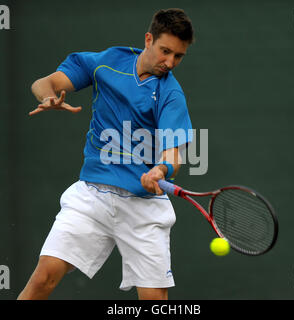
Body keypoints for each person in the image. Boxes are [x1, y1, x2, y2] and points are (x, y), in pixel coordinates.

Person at [18, 8, 194, 300]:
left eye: (178, 56)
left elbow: (173, 153)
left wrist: (160, 170)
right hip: (92, 196)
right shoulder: (107, 63)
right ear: (148, 39)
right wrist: (48, 96)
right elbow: (43, 83)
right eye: (165, 51)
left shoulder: (170, 94)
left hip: (143, 207)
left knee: (154, 301)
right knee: (43, 278)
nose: (170, 62)